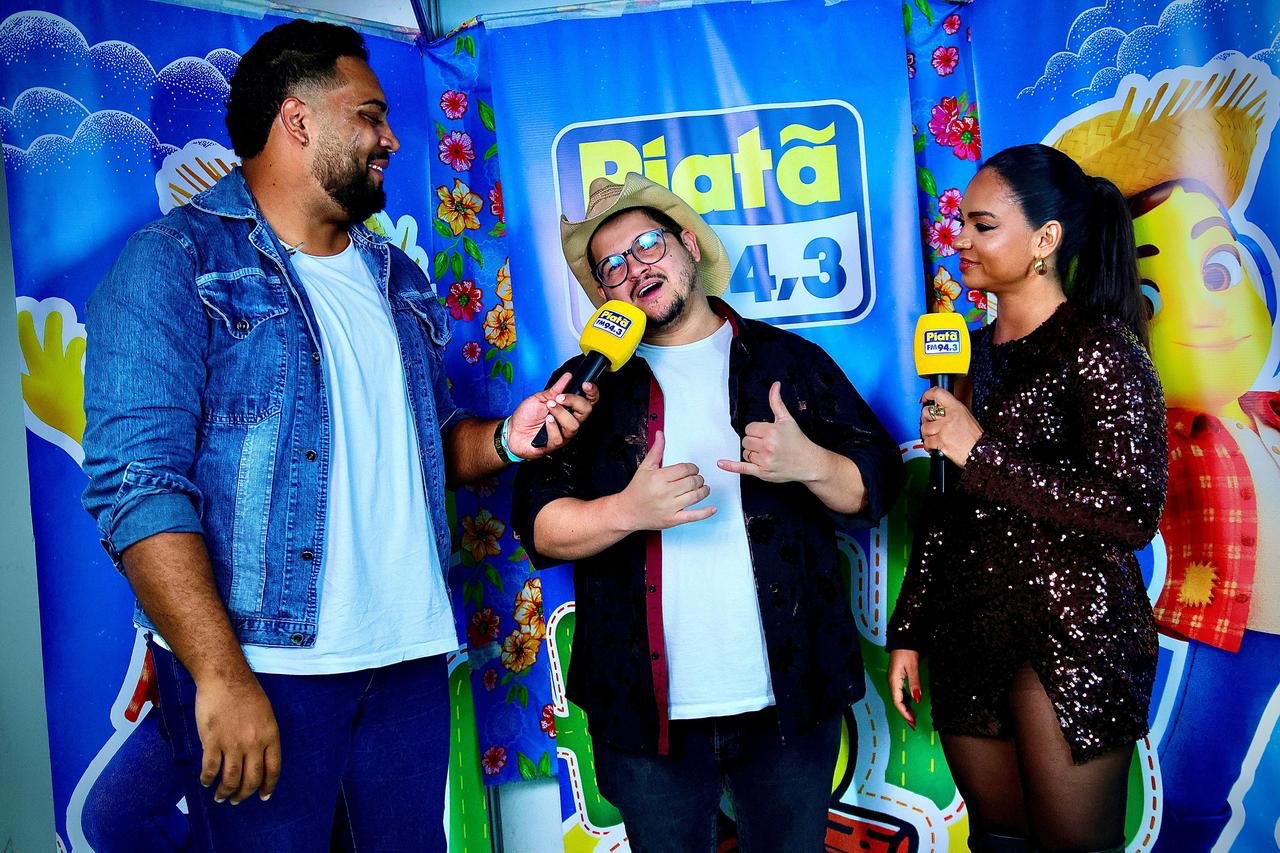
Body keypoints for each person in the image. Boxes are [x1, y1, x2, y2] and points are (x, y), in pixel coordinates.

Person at [80, 20, 593, 850]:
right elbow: (139, 486)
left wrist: (505, 439)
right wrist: (220, 674)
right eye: (370, 116)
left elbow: (421, 447)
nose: (392, 138)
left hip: (407, 661)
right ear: (297, 119)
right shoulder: (173, 262)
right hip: (269, 666)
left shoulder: (398, 277)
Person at [511, 172, 903, 851]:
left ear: (688, 245)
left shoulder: (788, 361)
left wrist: (810, 462)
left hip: (791, 701)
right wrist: (627, 511)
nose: (636, 268)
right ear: (606, 296)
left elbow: (878, 487)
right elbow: (539, 525)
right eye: (612, 265)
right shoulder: (582, 389)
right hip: (643, 716)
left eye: (648, 245)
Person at [886, 143, 1169, 853]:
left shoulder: (1101, 348)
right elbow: (946, 509)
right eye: (961, 222)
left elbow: (1130, 512)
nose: (959, 239)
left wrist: (980, 451)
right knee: (999, 840)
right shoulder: (965, 353)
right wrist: (909, 629)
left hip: (1071, 638)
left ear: (1045, 240)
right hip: (968, 635)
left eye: (982, 225)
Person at [1048, 67, 1280, 851]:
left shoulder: (1267, 411)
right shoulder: (1146, 426)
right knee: (1194, 785)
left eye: (1218, 272)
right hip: (1233, 631)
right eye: (1152, 298)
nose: (1208, 314)